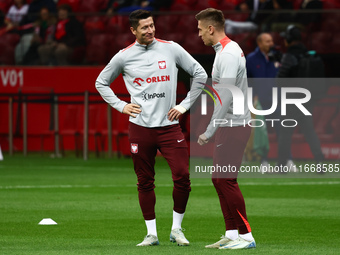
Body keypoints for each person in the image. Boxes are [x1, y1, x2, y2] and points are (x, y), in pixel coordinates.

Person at [95, 9, 207, 246]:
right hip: (140, 127)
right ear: (133, 30)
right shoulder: (123, 56)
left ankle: (176, 229)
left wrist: (185, 105)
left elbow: (200, 73)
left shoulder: (171, 48)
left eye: (152, 25)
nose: (150, 30)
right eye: (144, 27)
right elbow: (101, 82)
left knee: (183, 175)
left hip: (169, 126)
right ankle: (151, 233)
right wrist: (121, 105)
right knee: (144, 181)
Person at [195, 8, 256, 250]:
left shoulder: (228, 54)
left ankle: (247, 236)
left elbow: (226, 96)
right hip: (229, 124)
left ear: (211, 28)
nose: (199, 35)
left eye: (200, 30)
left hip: (234, 125)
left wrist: (210, 130)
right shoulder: (224, 51)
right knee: (219, 179)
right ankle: (231, 233)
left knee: (226, 180)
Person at [246, 33, 296, 171]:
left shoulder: (278, 57)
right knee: (262, 133)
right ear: (260, 43)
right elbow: (248, 81)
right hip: (261, 102)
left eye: (271, 41)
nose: (271, 43)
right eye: (267, 41)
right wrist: (252, 97)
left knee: (283, 131)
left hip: (278, 100)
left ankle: (288, 160)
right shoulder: (250, 59)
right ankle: (264, 162)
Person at [276, 24, 324, 168]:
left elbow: (280, 80)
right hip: (308, 99)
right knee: (309, 131)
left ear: (290, 39)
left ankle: (281, 166)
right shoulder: (308, 55)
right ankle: (320, 162)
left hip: (292, 100)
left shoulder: (289, 56)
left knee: (285, 133)